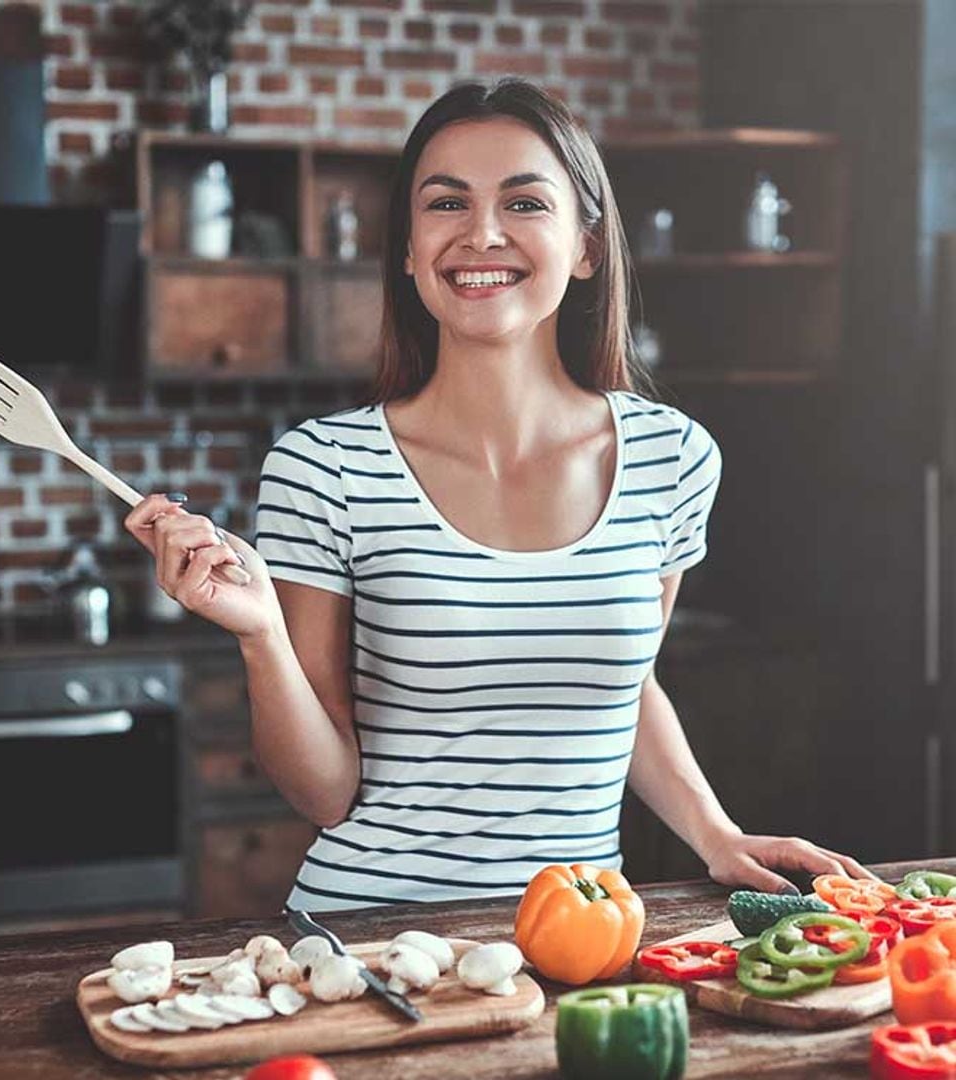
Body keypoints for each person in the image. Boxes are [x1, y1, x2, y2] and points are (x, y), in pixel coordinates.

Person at [126, 77, 874, 911]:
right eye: (446, 205)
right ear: (408, 249)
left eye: (524, 203)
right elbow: (324, 794)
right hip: (377, 941)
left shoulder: (673, 458)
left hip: (582, 941)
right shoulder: (324, 466)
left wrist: (714, 831)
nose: (482, 234)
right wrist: (262, 634)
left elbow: (626, 687)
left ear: (588, 246)